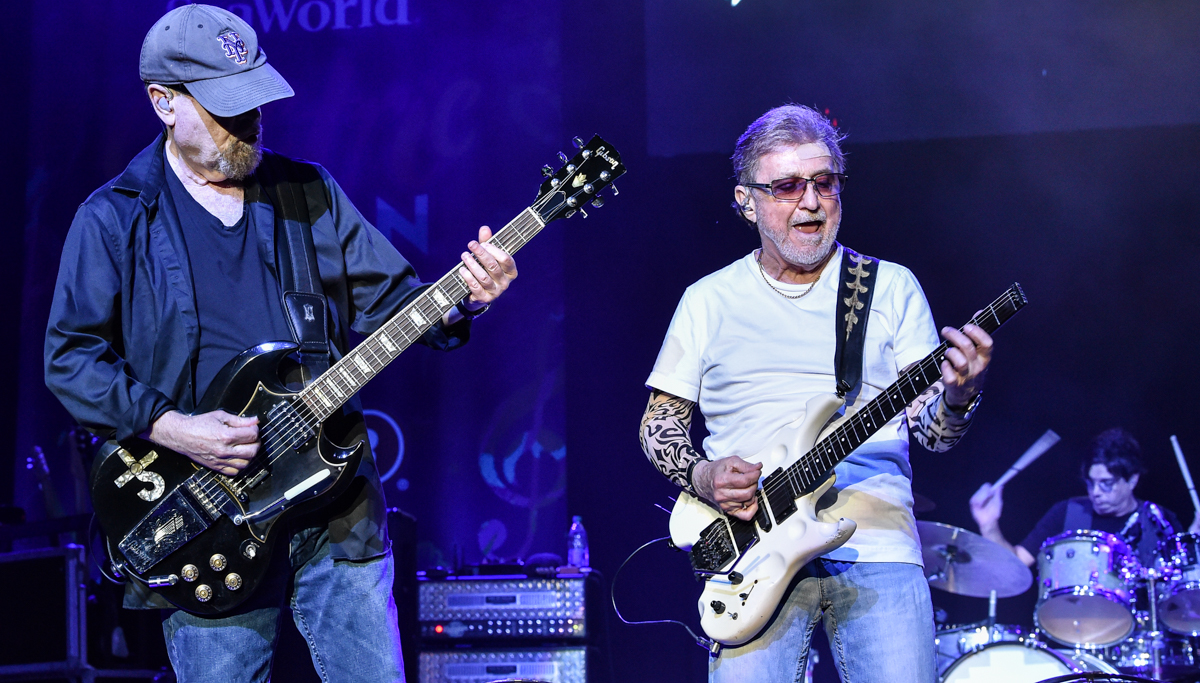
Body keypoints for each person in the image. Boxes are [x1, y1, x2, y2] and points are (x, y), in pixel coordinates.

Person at [43, 5, 516, 682]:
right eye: (224, 107)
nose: (249, 121)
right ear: (163, 104)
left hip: (336, 505)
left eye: (254, 100)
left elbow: (396, 305)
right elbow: (70, 360)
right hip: (209, 516)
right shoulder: (114, 217)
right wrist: (174, 427)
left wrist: (464, 296)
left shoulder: (307, 193)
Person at [639, 104, 992, 683]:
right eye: (785, 186)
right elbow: (659, 426)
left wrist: (958, 396)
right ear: (745, 200)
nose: (810, 200)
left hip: (877, 544)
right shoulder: (707, 300)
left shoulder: (891, 287)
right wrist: (704, 476)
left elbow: (933, 435)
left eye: (824, 182)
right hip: (750, 551)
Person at [971, 428, 1195, 570]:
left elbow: (1184, 586)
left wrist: (1195, 545)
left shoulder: (1159, 520)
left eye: (1106, 484)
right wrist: (989, 525)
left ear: (1132, 480)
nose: (1095, 492)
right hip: (1070, 631)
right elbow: (1014, 566)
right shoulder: (1067, 513)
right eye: (1090, 483)